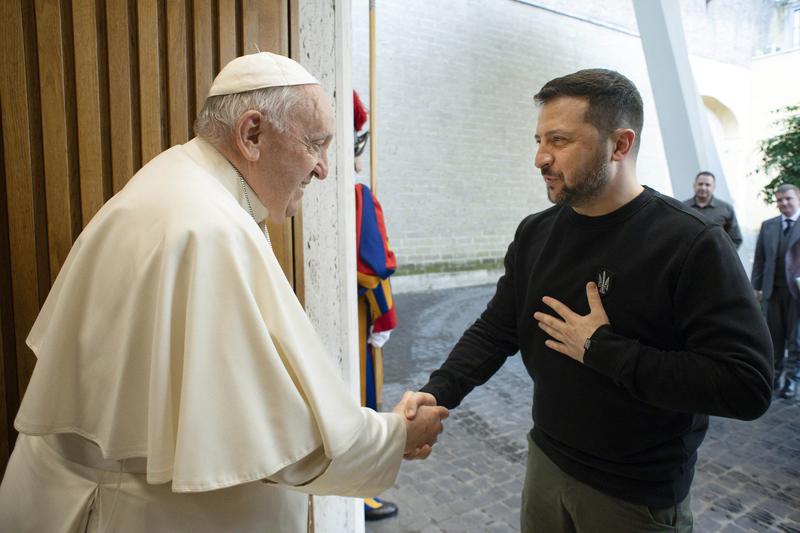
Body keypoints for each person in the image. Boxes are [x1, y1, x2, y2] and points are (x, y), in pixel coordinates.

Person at [0, 52, 448, 533]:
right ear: (252, 134)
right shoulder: (209, 227)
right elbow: (279, 438)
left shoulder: (177, 179)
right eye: (316, 145)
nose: (322, 169)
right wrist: (395, 435)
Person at [404, 69, 772, 532]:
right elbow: (497, 329)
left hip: (635, 495)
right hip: (546, 463)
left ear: (619, 145)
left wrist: (603, 348)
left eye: (559, 140)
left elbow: (747, 385)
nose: (540, 157)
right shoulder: (536, 232)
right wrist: (436, 393)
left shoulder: (692, 244)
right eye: (539, 139)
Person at [752, 183, 800, 399]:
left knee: (796, 339)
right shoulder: (768, 225)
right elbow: (760, 260)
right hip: (773, 290)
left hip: (796, 293)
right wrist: (756, 287)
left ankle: (791, 381)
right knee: (773, 338)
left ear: (797, 199)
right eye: (779, 200)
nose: (784, 203)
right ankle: (773, 377)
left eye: (788, 198)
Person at [682, 170, 743, 249]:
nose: (703, 187)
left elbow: (735, 239)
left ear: (713, 187)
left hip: (716, 258)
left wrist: (724, 256)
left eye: (707, 185)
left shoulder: (726, 209)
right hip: (688, 258)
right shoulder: (683, 207)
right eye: (700, 184)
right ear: (694, 185)